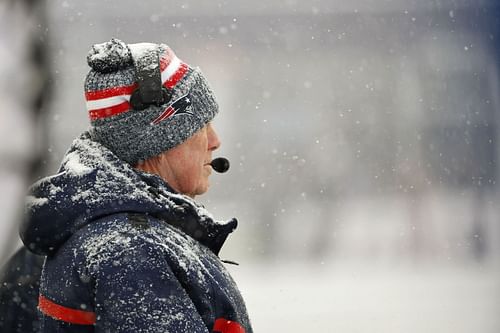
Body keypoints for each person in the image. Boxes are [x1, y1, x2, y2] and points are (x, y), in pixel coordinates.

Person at [20, 38, 253, 333]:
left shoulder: (114, 235)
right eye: (202, 125)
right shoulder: (133, 253)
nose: (215, 141)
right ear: (159, 139)